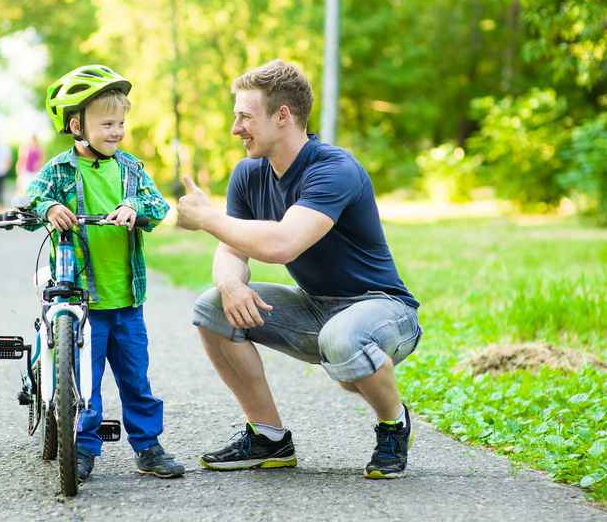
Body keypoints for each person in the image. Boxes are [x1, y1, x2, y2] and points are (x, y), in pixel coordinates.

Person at [176, 59, 422, 479]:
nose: (236, 129)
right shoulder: (249, 174)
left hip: (382, 310)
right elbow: (232, 249)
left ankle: (393, 424)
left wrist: (206, 217)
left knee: (343, 341)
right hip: (315, 308)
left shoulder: (334, 169)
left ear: (283, 116)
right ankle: (269, 437)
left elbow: (283, 243)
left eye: (245, 117)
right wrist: (230, 284)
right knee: (212, 306)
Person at [27, 64, 185, 482]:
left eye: (120, 123)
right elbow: (31, 202)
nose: (116, 131)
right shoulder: (60, 171)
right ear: (76, 125)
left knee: (137, 381)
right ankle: (81, 450)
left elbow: (158, 205)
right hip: (82, 302)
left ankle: (148, 447)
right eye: (106, 123)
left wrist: (136, 208)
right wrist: (49, 208)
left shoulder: (131, 169)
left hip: (127, 300)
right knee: (85, 386)